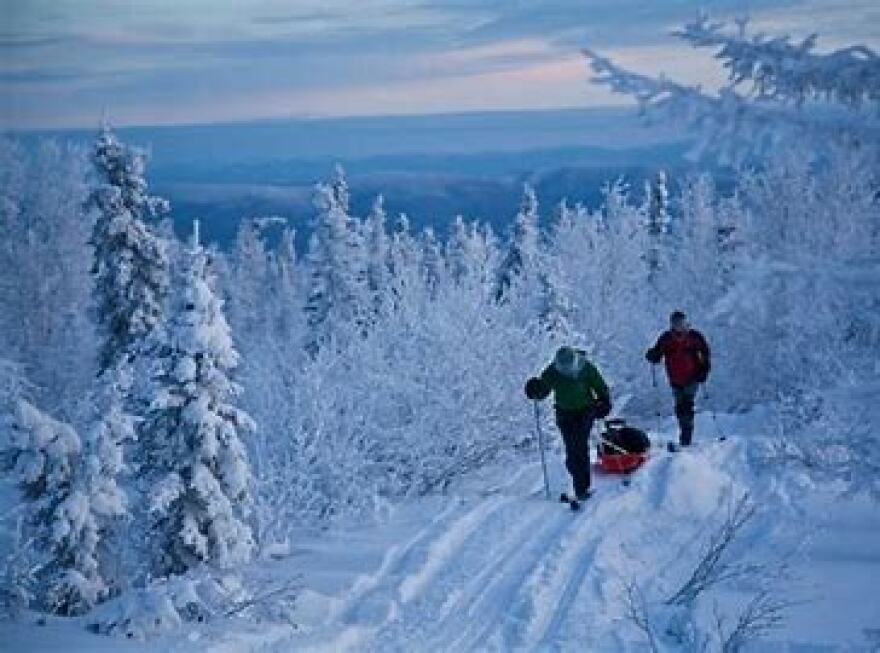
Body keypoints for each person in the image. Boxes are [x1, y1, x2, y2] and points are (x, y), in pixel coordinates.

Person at [524, 346, 611, 500]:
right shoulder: (553, 371)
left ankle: (582, 488)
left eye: (567, 366)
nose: (565, 370)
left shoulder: (586, 367)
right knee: (572, 449)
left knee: (580, 446)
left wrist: (604, 401)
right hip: (564, 413)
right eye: (562, 367)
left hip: (585, 410)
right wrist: (536, 389)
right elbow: (544, 389)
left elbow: (600, 385)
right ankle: (577, 474)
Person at [645, 310, 711, 448]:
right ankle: (685, 436)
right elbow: (658, 353)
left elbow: (705, 354)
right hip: (675, 379)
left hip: (692, 377)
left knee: (686, 406)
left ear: (687, 323)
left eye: (681, 323)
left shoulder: (695, 337)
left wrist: (704, 370)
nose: (679, 327)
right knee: (680, 407)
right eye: (676, 324)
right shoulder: (666, 338)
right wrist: (652, 355)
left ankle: (686, 438)